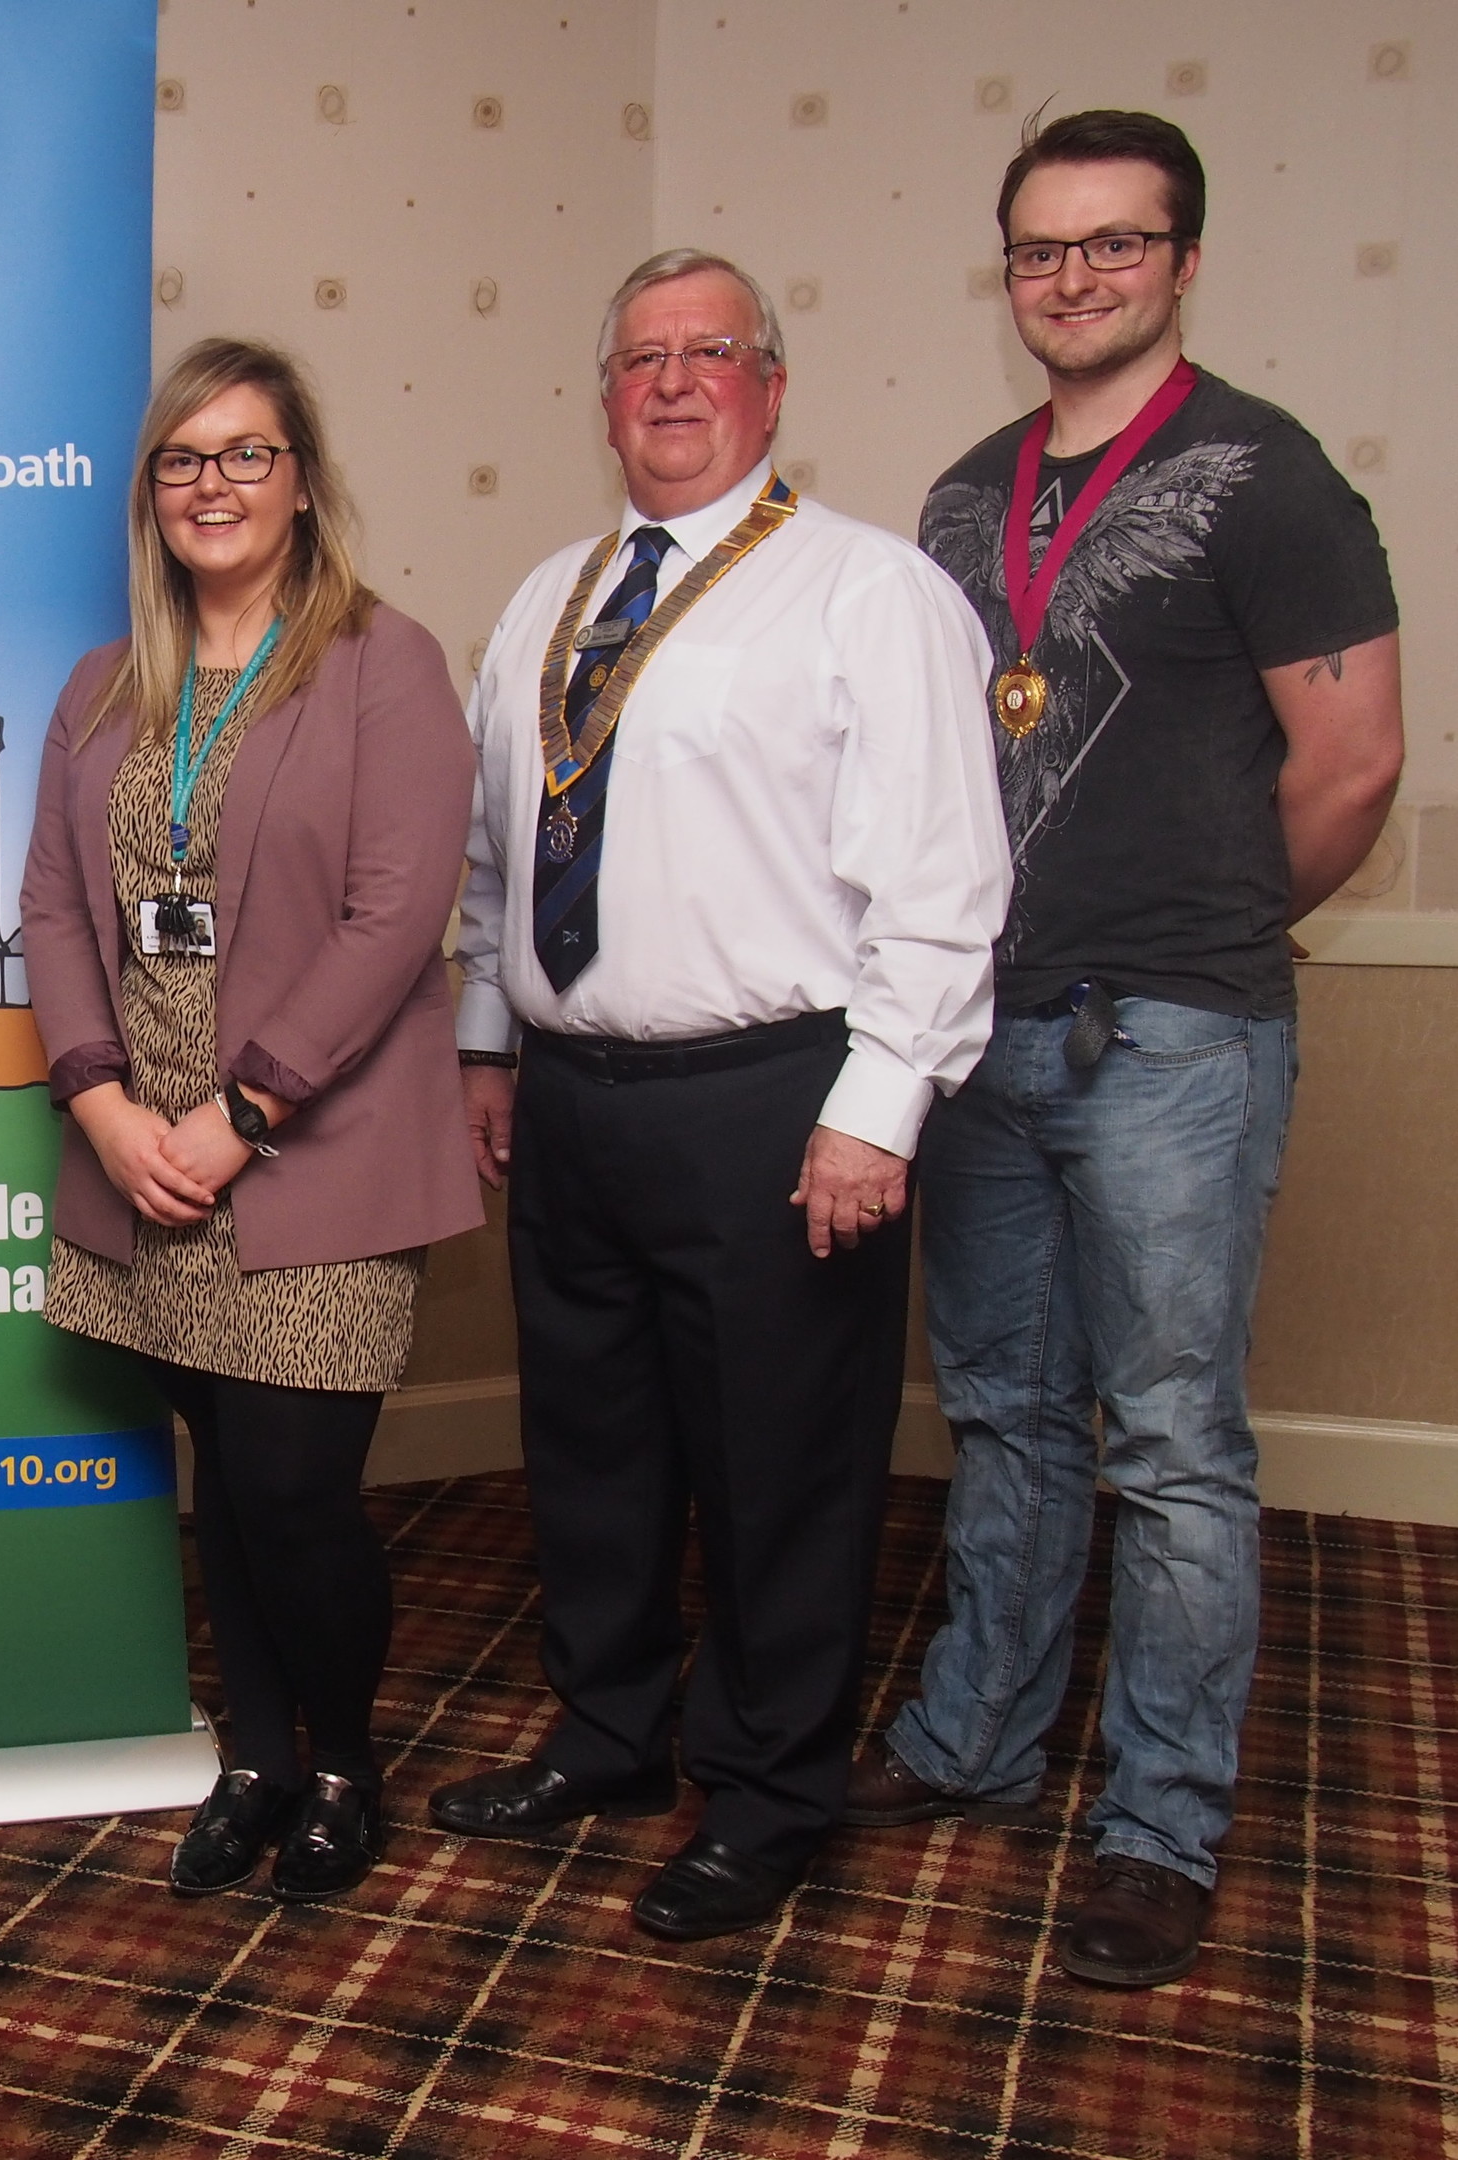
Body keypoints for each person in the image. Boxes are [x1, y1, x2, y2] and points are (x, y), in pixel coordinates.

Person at [853, 112, 1401, 1989]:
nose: (1070, 276)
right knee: (1002, 1415)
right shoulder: (954, 497)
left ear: (1180, 258)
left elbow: (1352, 768)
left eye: (1110, 242)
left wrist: (1209, 928)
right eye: (1036, 248)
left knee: (1169, 1445)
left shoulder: (1267, 477)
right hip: (976, 1033)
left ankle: (1160, 1824)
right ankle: (970, 1749)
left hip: (1170, 1033)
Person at [438, 251, 1008, 1941]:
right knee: (591, 1448)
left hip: (778, 1102)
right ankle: (611, 1735)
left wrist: (876, 1109)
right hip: (575, 1100)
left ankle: (769, 1792)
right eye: (638, 360)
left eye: (710, 354)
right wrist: (488, 1038)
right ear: (600, 394)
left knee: (780, 1469)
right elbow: (497, 852)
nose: (671, 385)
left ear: (771, 384)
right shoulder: (546, 600)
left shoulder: (867, 593)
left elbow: (942, 881)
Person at [23, 337, 480, 1904]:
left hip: (308, 1158)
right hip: (144, 1155)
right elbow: (50, 915)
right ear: (149, 494)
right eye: (180, 460)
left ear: (301, 484)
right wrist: (99, 1105)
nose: (210, 485)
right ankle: (255, 1759)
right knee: (220, 1476)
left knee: (296, 1492)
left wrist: (247, 1106)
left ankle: (344, 1766)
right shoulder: (102, 688)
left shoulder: (380, 662)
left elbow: (394, 913)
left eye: (245, 455)